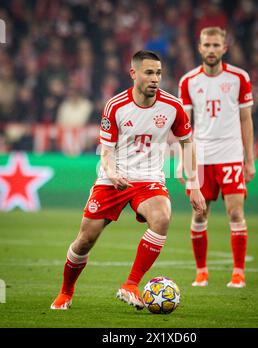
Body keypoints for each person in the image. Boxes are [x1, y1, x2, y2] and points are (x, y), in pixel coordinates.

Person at [50, 50, 206, 310]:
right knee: (85, 238)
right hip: (113, 179)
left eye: (158, 73)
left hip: (149, 179)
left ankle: (131, 284)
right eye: (149, 72)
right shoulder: (115, 105)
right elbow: (106, 152)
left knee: (162, 218)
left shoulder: (173, 106)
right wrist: (111, 172)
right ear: (134, 74)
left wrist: (195, 185)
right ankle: (66, 292)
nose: (155, 78)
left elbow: (187, 144)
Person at [177, 27, 255, 288]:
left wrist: (250, 159)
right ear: (200, 48)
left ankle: (238, 273)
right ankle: (201, 272)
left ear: (224, 47)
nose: (211, 50)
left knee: (235, 212)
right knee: (199, 215)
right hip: (201, 155)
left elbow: (246, 119)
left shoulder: (239, 78)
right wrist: (182, 160)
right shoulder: (188, 81)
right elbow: (184, 125)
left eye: (215, 45)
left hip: (231, 153)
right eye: (207, 45)